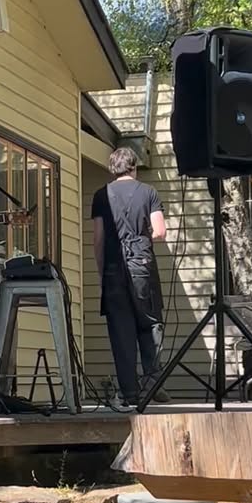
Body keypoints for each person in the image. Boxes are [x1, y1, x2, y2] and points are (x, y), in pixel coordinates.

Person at [91, 146, 169, 410]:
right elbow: (159, 231)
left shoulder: (101, 195)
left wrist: (102, 270)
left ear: (113, 169)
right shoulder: (149, 193)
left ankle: (129, 392)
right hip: (142, 265)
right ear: (134, 167)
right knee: (150, 323)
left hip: (114, 267)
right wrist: (141, 234)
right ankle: (152, 383)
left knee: (121, 330)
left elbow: (98, 239)